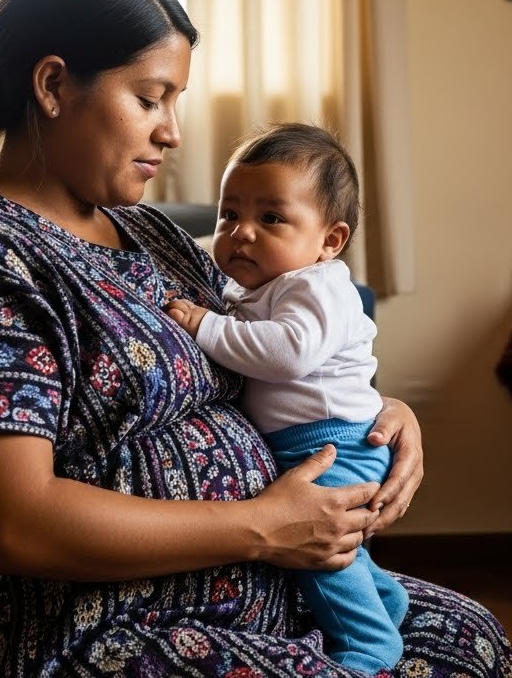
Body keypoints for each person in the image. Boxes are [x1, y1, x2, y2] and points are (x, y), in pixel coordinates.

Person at [0, 0, 511, 678]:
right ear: (52, 85)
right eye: (150, 98)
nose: (171, 131)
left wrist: (386, 411)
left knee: (466, 636)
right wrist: (263, 528)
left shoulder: (152, 234)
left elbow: (264, 350)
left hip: (251, 585)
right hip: (79, 630)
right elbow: (13, 527)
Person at [163, 123, 405, 675]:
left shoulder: (316, 286)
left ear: (330, 240)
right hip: (317, 440)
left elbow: (288, 353)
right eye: (230, 214)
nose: (242, 233)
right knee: (344, 552)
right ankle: (386, 603)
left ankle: (370, 649)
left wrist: (204, 325)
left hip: (334, 446)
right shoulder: (262, 285)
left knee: (323, 556)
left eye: (271, 218)